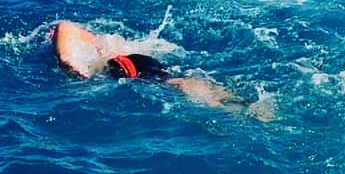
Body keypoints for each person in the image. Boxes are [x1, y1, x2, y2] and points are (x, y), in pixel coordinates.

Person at [51, 20, 270, 118]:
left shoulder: (91, 42)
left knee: (172, 82)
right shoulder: (109, 41)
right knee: (174, 80)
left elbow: (63, 26)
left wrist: (66, 60)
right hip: (137, 62)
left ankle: (230, 107)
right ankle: (239, 104)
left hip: (128, 64)